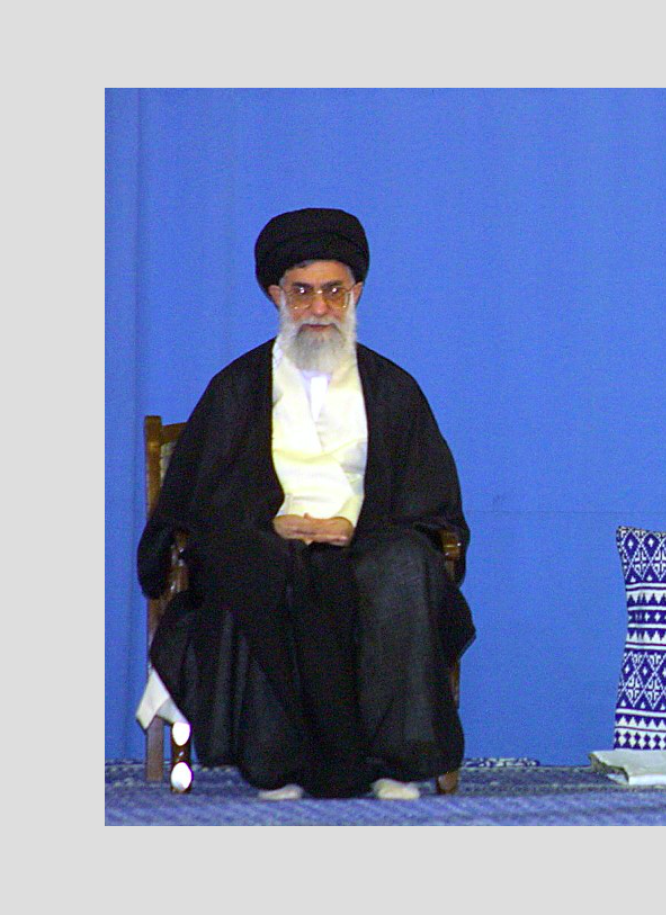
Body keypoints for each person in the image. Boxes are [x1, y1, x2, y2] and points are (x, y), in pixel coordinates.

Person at [136, 207, 474, 800]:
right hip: (269, 541)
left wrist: (354, 526)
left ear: (356, 293)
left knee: (403, 564)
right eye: (302, 292)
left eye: (333, 291)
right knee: (250, 563)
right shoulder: (237, 387)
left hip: (366, 538)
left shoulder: (393, 389)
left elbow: (431, 501)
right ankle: (277, 763)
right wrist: (268, 523)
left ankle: (396, 762)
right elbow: (200, 501)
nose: (319, 307)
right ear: (277, 296)